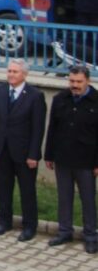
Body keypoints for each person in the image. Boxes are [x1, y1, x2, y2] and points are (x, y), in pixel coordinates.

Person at [0, 59, 47, 241]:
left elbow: (38, 128)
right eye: (9, 71)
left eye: (15, 72)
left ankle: (29, 226)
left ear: (24, 74)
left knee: (27, 190)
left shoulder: (35, 96)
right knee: (4, 187)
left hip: (24, 152)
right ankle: (4, 221)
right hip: (3, 149)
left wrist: (33, 154)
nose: (11, 74)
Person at [44, 65, 98, 253]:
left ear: (88, 81)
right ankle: (64, 231)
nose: (74, 85)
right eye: (72, 81)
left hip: (87, 161)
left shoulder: (96, 101)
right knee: (64, 197)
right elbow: (52, 129)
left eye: (79, 82)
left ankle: (91, 235)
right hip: (63, 158)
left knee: (88, 199)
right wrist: (49, 155)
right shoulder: (60, 99)